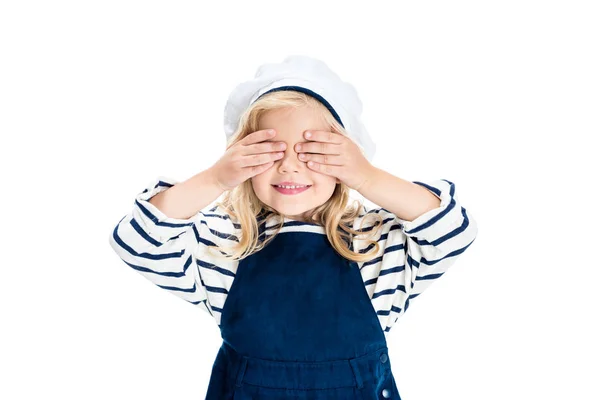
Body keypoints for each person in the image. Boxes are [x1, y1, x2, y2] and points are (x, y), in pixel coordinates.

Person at [108, 55, 478, 400]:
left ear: (347, 158)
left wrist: (367, 177)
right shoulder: (226, 244)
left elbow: (452, 229)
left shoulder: (376, 245)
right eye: (268, 151)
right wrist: (215, 178)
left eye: (312, 152)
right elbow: (138, 242)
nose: (289, 167)